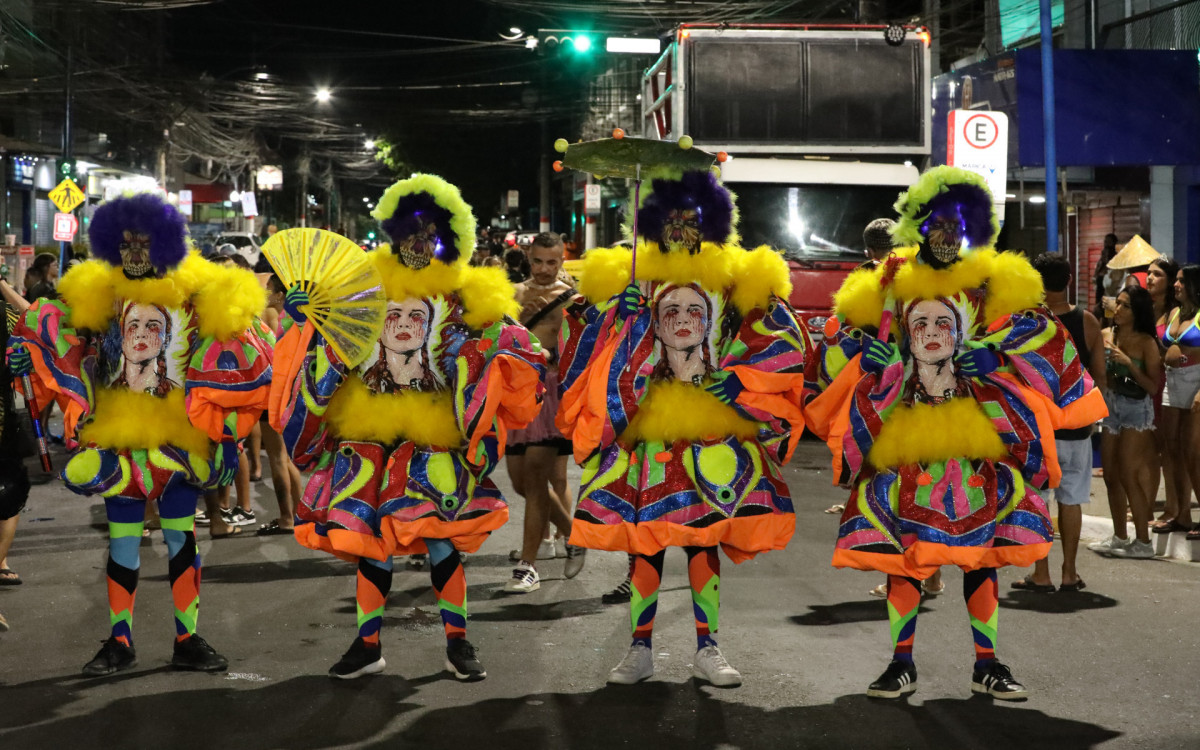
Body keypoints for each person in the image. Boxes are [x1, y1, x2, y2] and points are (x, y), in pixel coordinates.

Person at [804, 167, 1105, 700]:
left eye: (956, 224)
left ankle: (987, 663)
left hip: (977, 435)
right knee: (904, 555)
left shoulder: (989, 279)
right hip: (906, 435)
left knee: (982, 554)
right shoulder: (890, 282)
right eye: (937, 223)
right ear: (917, 225)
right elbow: (839, 336)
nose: (946, 233)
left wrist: (998, 354)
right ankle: (901, 662)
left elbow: (1040, 329)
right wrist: (862, 354)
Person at [272, 174, 544, 682]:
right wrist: (304, 319)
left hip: (432, 437)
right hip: (368, 437)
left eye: (430, 234)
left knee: (440, 539)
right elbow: (326, 341)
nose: (419, 243)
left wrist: (502, 348)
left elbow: (509, 342)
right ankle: (367, 644)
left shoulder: (462, 293)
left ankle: (457, 643)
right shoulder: (361, 287)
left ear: (446, 239)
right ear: (394, 234)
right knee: (370, 542)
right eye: (410, 233)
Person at [558, 169, 810, 687]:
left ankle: (707, 647)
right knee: (645, 540)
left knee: (701, 538)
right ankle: (640, 649)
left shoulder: (735, 280)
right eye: (670, 219)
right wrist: (616, 314)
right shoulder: (634, 277)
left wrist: (741, 380)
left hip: (712, 429)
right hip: (646, 428)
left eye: (690, 219)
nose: (680, 229)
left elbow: (785, 339)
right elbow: (581, 332)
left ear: (710, 222)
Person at [6, 192, 271, 676]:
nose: (133, 252)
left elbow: (238, 350)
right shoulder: (101, 295)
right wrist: (33, 354)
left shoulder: (195, 294)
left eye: (143, 242)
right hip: (121, 436)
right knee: (123, 543)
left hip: (179, 438)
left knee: (180, 538)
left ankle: (187, 638)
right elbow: (66, 343)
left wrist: (227, 432)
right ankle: (120, 640)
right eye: (125, 243)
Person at [1010, 254, 1106, 592]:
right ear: (1069, 280)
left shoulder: (1025, 322)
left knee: (1038, 499)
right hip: (1076, 426)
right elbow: (1099, 377)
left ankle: (1042, 573)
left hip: (1037, 428)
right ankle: (1069, 572)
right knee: (1072, 498)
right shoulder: (1087, 321)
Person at [504, 233, 585, 593]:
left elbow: (582, 347)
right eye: (538, 261)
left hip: (551, 393)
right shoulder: (513, 294)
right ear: (528, 258)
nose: (544, 269)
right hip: (516, 393)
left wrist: (553, 356)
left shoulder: (574, 299)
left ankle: (528, 566)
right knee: (520, 482)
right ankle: (573, 534)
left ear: (562, 261)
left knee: (538, 474)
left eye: (552, 262)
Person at [1088, 287, 1162, 559]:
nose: (1117, 309)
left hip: (1136, 409)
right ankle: (1120, 536)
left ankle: (1143, 541)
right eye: (1117, 303)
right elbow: (1098, 375)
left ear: (1137, 312)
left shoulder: (1146, 342)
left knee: (1129, 474)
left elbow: (1153, 387)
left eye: (1125, 306)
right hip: (1111, 406)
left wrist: (1129, 363)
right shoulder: (1106, 335)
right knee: (1111, 475)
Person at [1153, 264, 1200, 541]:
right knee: (1173, 452)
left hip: (1196, 383)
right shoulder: (1173, 313)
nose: (1176, 285)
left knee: (1194, 454)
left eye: (1181, 281)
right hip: (1172, 383)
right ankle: (1182, 515)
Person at [255, 274, 302, 537]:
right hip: (289, 393)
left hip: (274, 393)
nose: (265, 294)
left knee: (277, 458)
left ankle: (286, 517)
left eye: (269, 289)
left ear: (280, 295)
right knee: (284, 457)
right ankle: (299, 513)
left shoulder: (279, 320)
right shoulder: (297, 319)